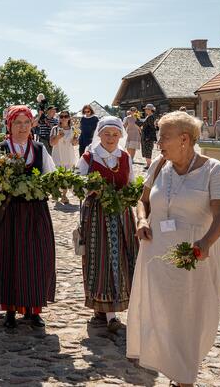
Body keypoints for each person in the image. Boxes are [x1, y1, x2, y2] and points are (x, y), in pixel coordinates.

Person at [127, 111, 220, 387]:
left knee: (191, 314)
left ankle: (185, 376)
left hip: (196, 255)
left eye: (164, 136)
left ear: (184, 139)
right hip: (158, 253)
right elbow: (143, 201)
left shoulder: (214, 170)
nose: (158, 141)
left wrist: (206, 243)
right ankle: (178, 372)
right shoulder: (159, 165)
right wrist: (141, 220)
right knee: (163, 312)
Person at [0, 105, 57, 329]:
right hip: (9, 213)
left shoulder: (39, 149)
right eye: (17, 123)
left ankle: (34, 309)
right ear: (9, 125)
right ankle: (10, 310)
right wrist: (3, 187)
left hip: (34, 212)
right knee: (9, 258)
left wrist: (38, 187)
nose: (22, 127)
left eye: (26, 122)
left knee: (35, 259)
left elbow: (50, 177)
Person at [75, 116, 139, 334]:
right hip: (96, 215)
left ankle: (112, 310)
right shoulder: (88, 158)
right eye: (107, 134)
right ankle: (100, 306)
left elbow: (131, 184)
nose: (111, 138)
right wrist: (89, 189)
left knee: (119, 257)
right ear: (99, 134)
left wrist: (128, 196)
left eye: (115, 134)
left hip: (121, 215)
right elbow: (77, 186)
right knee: (98, 258)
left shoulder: (124, 157)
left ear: (121, 136)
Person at [49, 110, 79, 204]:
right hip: (58, 155)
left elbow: (74, 144)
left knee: (66, 176)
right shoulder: (55, 129)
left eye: (66, 116)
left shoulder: (73, 129)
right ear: (59, 118)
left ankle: (64, 195)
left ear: (69, 118)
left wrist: (75, 139)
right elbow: (51, 143)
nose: (63, 118)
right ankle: (56, 193)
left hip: (69, 156)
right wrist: (58, 137)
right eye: (61, 116)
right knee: (57, 175)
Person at [136, 104, 159, 170]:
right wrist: (137, 118)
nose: (145, 110)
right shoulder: (149, 116)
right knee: (146, 150)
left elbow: (151, 128)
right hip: (146, 135)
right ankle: (148, 164)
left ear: (150, 110)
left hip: (148, 136)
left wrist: (148, 137)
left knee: (148, 150)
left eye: (146, 109)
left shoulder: (151, 117)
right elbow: (143, 123)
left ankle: (149, 165)